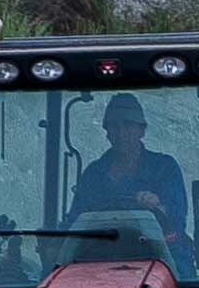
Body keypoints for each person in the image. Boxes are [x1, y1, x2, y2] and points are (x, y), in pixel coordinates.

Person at [71, 92, 190, 246]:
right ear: (107, 132)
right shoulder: (93, 175)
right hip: (103, 254)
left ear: (142, 130)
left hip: (162, 254)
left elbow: (177, 223)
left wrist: (159, 206)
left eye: (127, 125)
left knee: (179, 268)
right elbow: (74, 223)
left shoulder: (165, 168)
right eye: (114, 126)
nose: (121, 133)